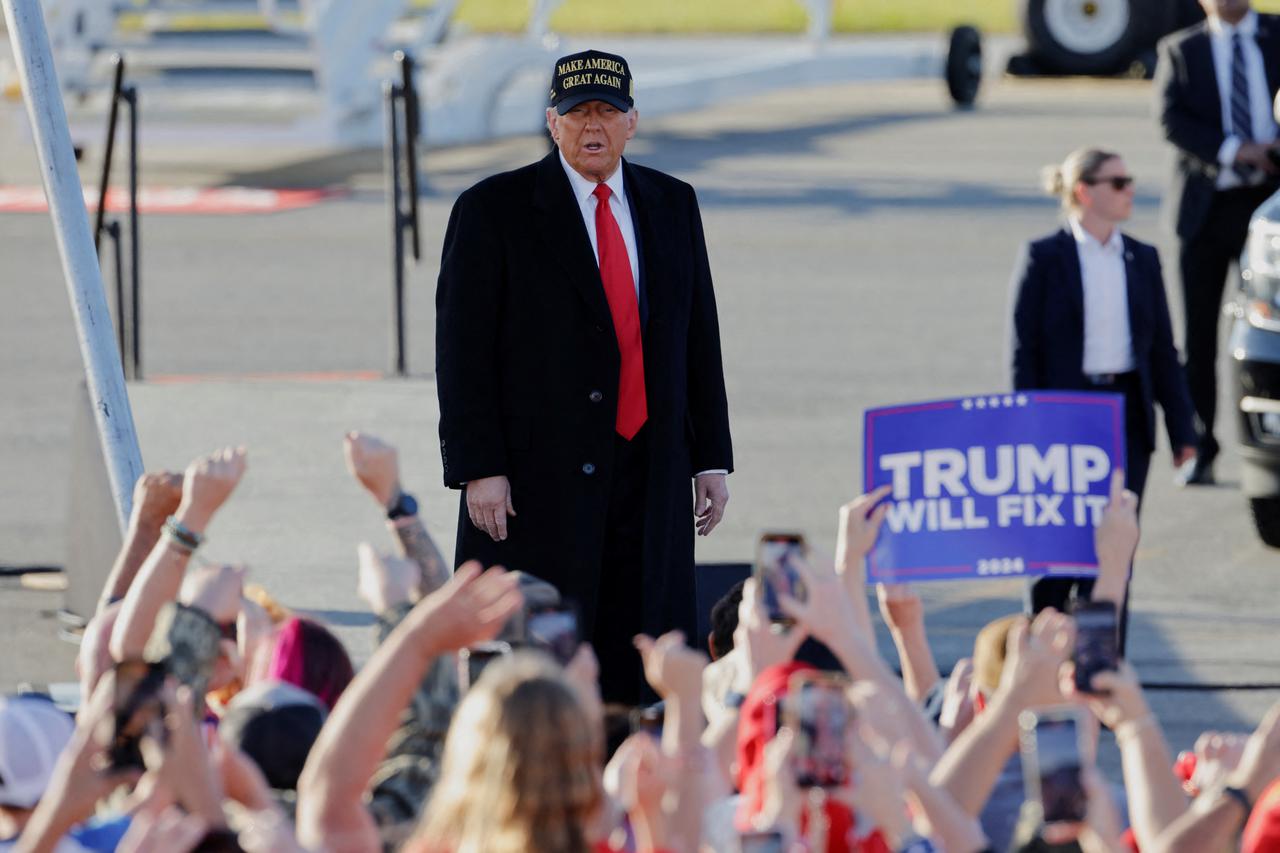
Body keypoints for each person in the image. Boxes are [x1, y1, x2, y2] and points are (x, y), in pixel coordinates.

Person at [434, 48, 734, 703]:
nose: (592, 125)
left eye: (607, 111)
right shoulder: (494, 210)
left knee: (642, 653)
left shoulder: (672, 204)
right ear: (551, 122)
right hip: (537, 482)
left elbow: (698, 335)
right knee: (538, 666)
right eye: (577, 113)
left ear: (632, 122)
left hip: (649, 470)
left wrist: (710, 455)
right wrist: (478, 464)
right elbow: (461, 351)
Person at [1009, 147, 1196, 629]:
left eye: (1129, 180)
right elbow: (1023, 350)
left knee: (1114, 550)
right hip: (1063, 414)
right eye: (1118, 182)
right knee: (1056, 549)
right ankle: (1041, 665)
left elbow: (1162, 352)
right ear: (1083, 192)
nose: (1129, 189)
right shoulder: (1044, 257)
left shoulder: (1141, 258)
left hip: (1124, 415)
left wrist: (1183, 431)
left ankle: (1103, 671)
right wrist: (1027, 423)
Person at [1155, 0, 1280, 485]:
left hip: (1269, 209)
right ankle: (1199, 447)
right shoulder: (1182, 49)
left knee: (1271, 333)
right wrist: (1237, 150)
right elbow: (1170, 120)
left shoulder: (1274, 34)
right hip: (1207, 208)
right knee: (1199, 336)